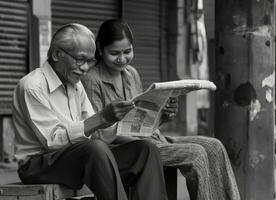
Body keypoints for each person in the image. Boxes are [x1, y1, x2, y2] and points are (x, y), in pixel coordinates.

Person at [81, 19, 240, 200]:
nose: (122, 59)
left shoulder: (131, 74)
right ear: (100, 49)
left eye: (127, 51)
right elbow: (97, 134)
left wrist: (163, 115)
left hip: (153, 139)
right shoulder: (91, 80)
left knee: (214, 146)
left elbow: (142, 120)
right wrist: (142, 138)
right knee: (196, 154)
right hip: (126, 149)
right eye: (114, 53)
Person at [12, 23, 168, 200]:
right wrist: (102, 117)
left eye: (89, 61)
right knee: (94, 150)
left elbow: (95, 133)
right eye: (80, 59)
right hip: (39, 164)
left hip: (80, 157)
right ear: (57, 54)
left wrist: (114, 119)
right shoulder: (32, 86)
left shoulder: (75, 84)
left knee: (145, 150)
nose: (85, 68)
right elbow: (53, 141)